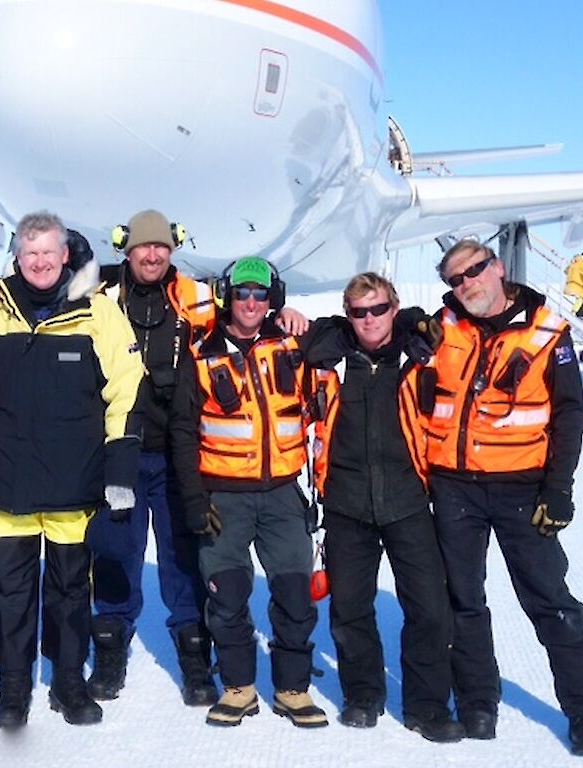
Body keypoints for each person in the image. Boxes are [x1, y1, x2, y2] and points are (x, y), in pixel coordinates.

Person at [0, 211, 311, 706]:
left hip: (179, 455)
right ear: (125, 250)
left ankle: (196, 661)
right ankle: (110, 654)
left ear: (173, 250)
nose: (151, 256)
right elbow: (36, 290)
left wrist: (287, 315)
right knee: (114, 555)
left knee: (182, 559)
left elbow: (246, 316)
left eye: (161, 248)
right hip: (116, 453)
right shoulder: (99, 293)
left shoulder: (196, 299)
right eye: (141, 247)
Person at [416, 240, 583, 758]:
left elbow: (570, 416)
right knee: (464, 601)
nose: (468, 284)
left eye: (475, 271)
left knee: (550, 601)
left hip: (522, 488)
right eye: (456, 279)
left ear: (498, 267)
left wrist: (559, 488)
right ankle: (478, 701)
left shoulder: (548, 333)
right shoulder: (442, 328)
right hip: (455, 486)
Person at [0, 211, 145, 728]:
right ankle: (13, 689)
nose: (39, 263)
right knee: (9, 593)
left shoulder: (99, 314)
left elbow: (126, 389)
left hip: (73, 481)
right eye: (29, 253)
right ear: (17, 258)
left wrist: (120, 466)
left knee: (69, 591)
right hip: (6, 483)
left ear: (66, 256)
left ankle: (67, 683)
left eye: (49, 253)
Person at [299, 272, 464, 742]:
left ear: (395, 308)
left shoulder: (419, 355)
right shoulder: (329, 361)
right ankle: (363, 694)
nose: (369, 320)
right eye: (358, 312)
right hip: (348, 502)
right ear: (347, 316)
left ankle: (428, 706)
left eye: (378, 309)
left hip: (409, 499)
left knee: (430, 608)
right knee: (350, 607)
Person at [169, 256, 326, 729]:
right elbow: (182, 430)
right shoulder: (200, 354)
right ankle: (239, 687)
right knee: (228, 595)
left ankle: (293, 689)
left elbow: (351, 330)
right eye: (243, 294)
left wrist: (304, 320)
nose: (252, 302)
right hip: (224, 497)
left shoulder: (293, 343)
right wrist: (195, 500)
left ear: (272, 297)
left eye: (261, 294)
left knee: (295, 594)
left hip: (282, 493)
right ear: (227, 297)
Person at [565, 250, 583, 319]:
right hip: (579, 284)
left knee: (582, 299)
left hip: (572, 283)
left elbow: (566, 271)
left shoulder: (575, 261)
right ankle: (578, 314)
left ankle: (576, 313)